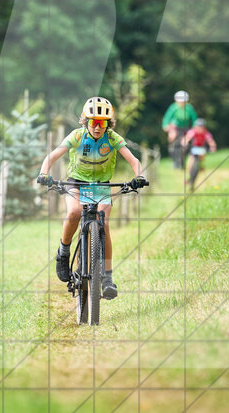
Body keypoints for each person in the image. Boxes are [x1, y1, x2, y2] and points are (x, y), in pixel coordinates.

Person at [36, 96, 147, 300]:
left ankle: (107, 278)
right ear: (86, 121)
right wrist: (44, 173)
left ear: (108, 124)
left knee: (104, 223)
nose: (97, 127)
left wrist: (139, 176)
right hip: (76, 182)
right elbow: (53, 155)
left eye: (102, 123)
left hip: (101, 185)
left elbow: (133, 160)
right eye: (94, 122)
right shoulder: (77, 136)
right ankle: (63, 252)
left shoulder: (112, 138)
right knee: (74, 212)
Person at [161, 90, 197, 169]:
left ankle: (181, 162)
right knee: (174, 142)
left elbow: (195, 121)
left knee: (185, 145)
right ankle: (174, 160)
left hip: (186, 129)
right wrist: (167, 128)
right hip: (175, 128)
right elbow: (166, 119)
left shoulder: (189, 108)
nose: (181, 103)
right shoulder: (173, 108)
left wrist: (191, 132)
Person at [181, 118, 217, 192]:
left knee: (200, 160)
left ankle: (199, 167)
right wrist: (184, 143)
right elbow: (186, 138)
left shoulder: (206, 133)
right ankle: (190, 176)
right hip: (193, 149)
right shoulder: (192, 132)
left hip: (201, 150)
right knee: (190, 164)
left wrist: (213, 147)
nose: (200, 129)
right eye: (198, 126)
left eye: (201, 127)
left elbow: (211, 141)